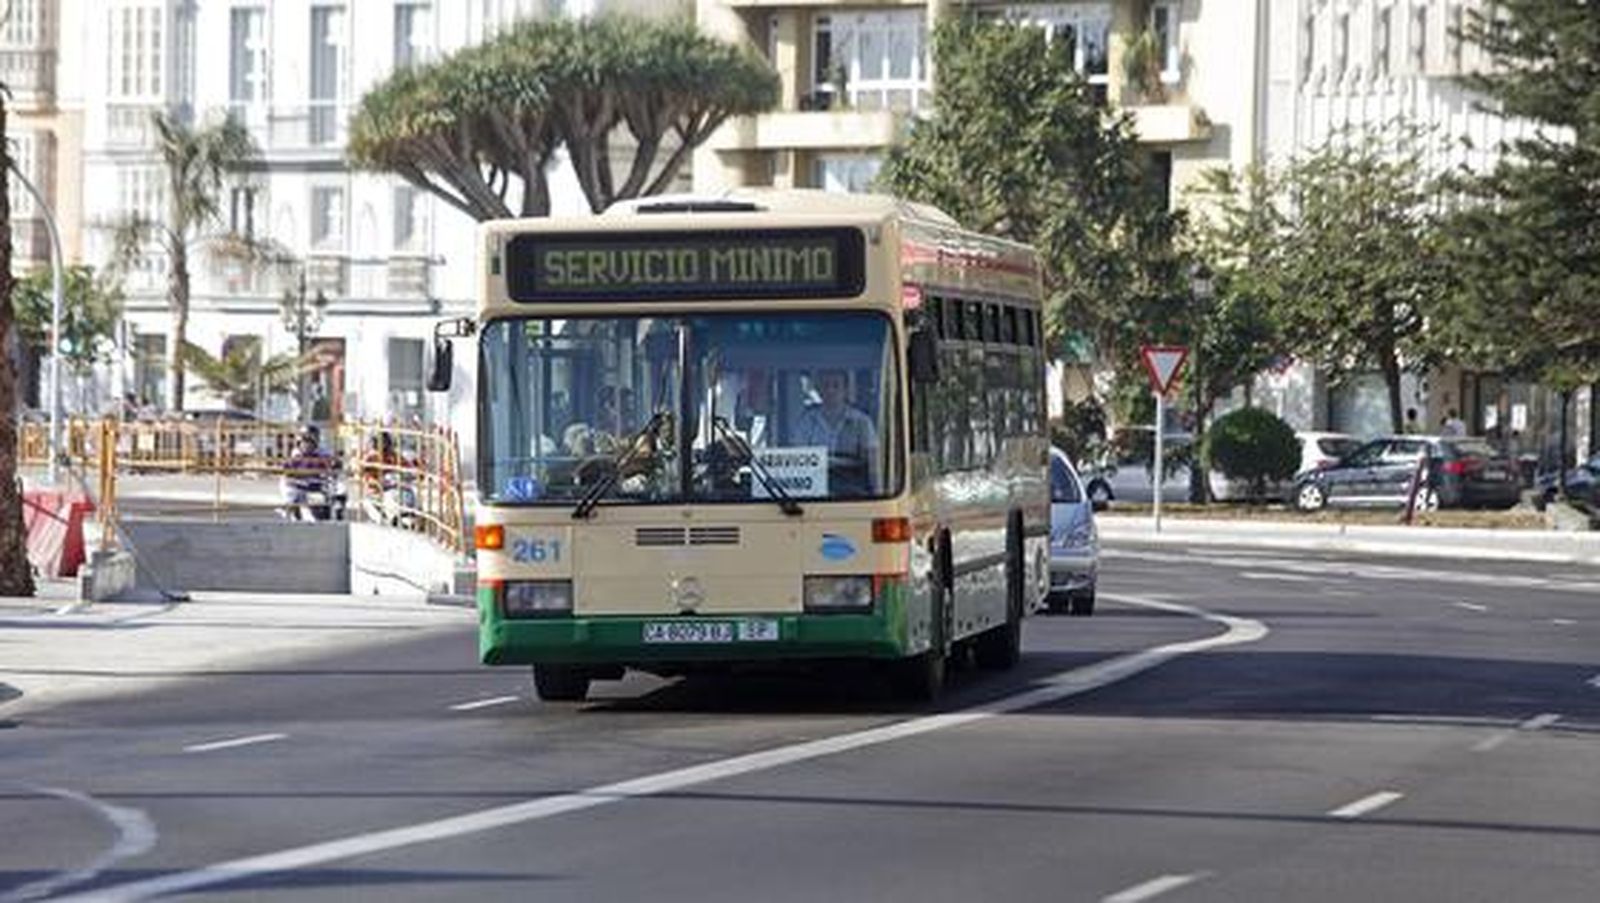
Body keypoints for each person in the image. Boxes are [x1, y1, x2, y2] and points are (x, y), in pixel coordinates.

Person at [795, 368, 879, 490]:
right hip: (814, 490)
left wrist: (875, 490)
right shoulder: (806, 422)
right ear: (819, 390)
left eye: (836, 385)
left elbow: (872, 463)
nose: (830, 390)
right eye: (826, 385)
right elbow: (798, 459)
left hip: (854, 492)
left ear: (846, 390)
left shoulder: (862, 422)